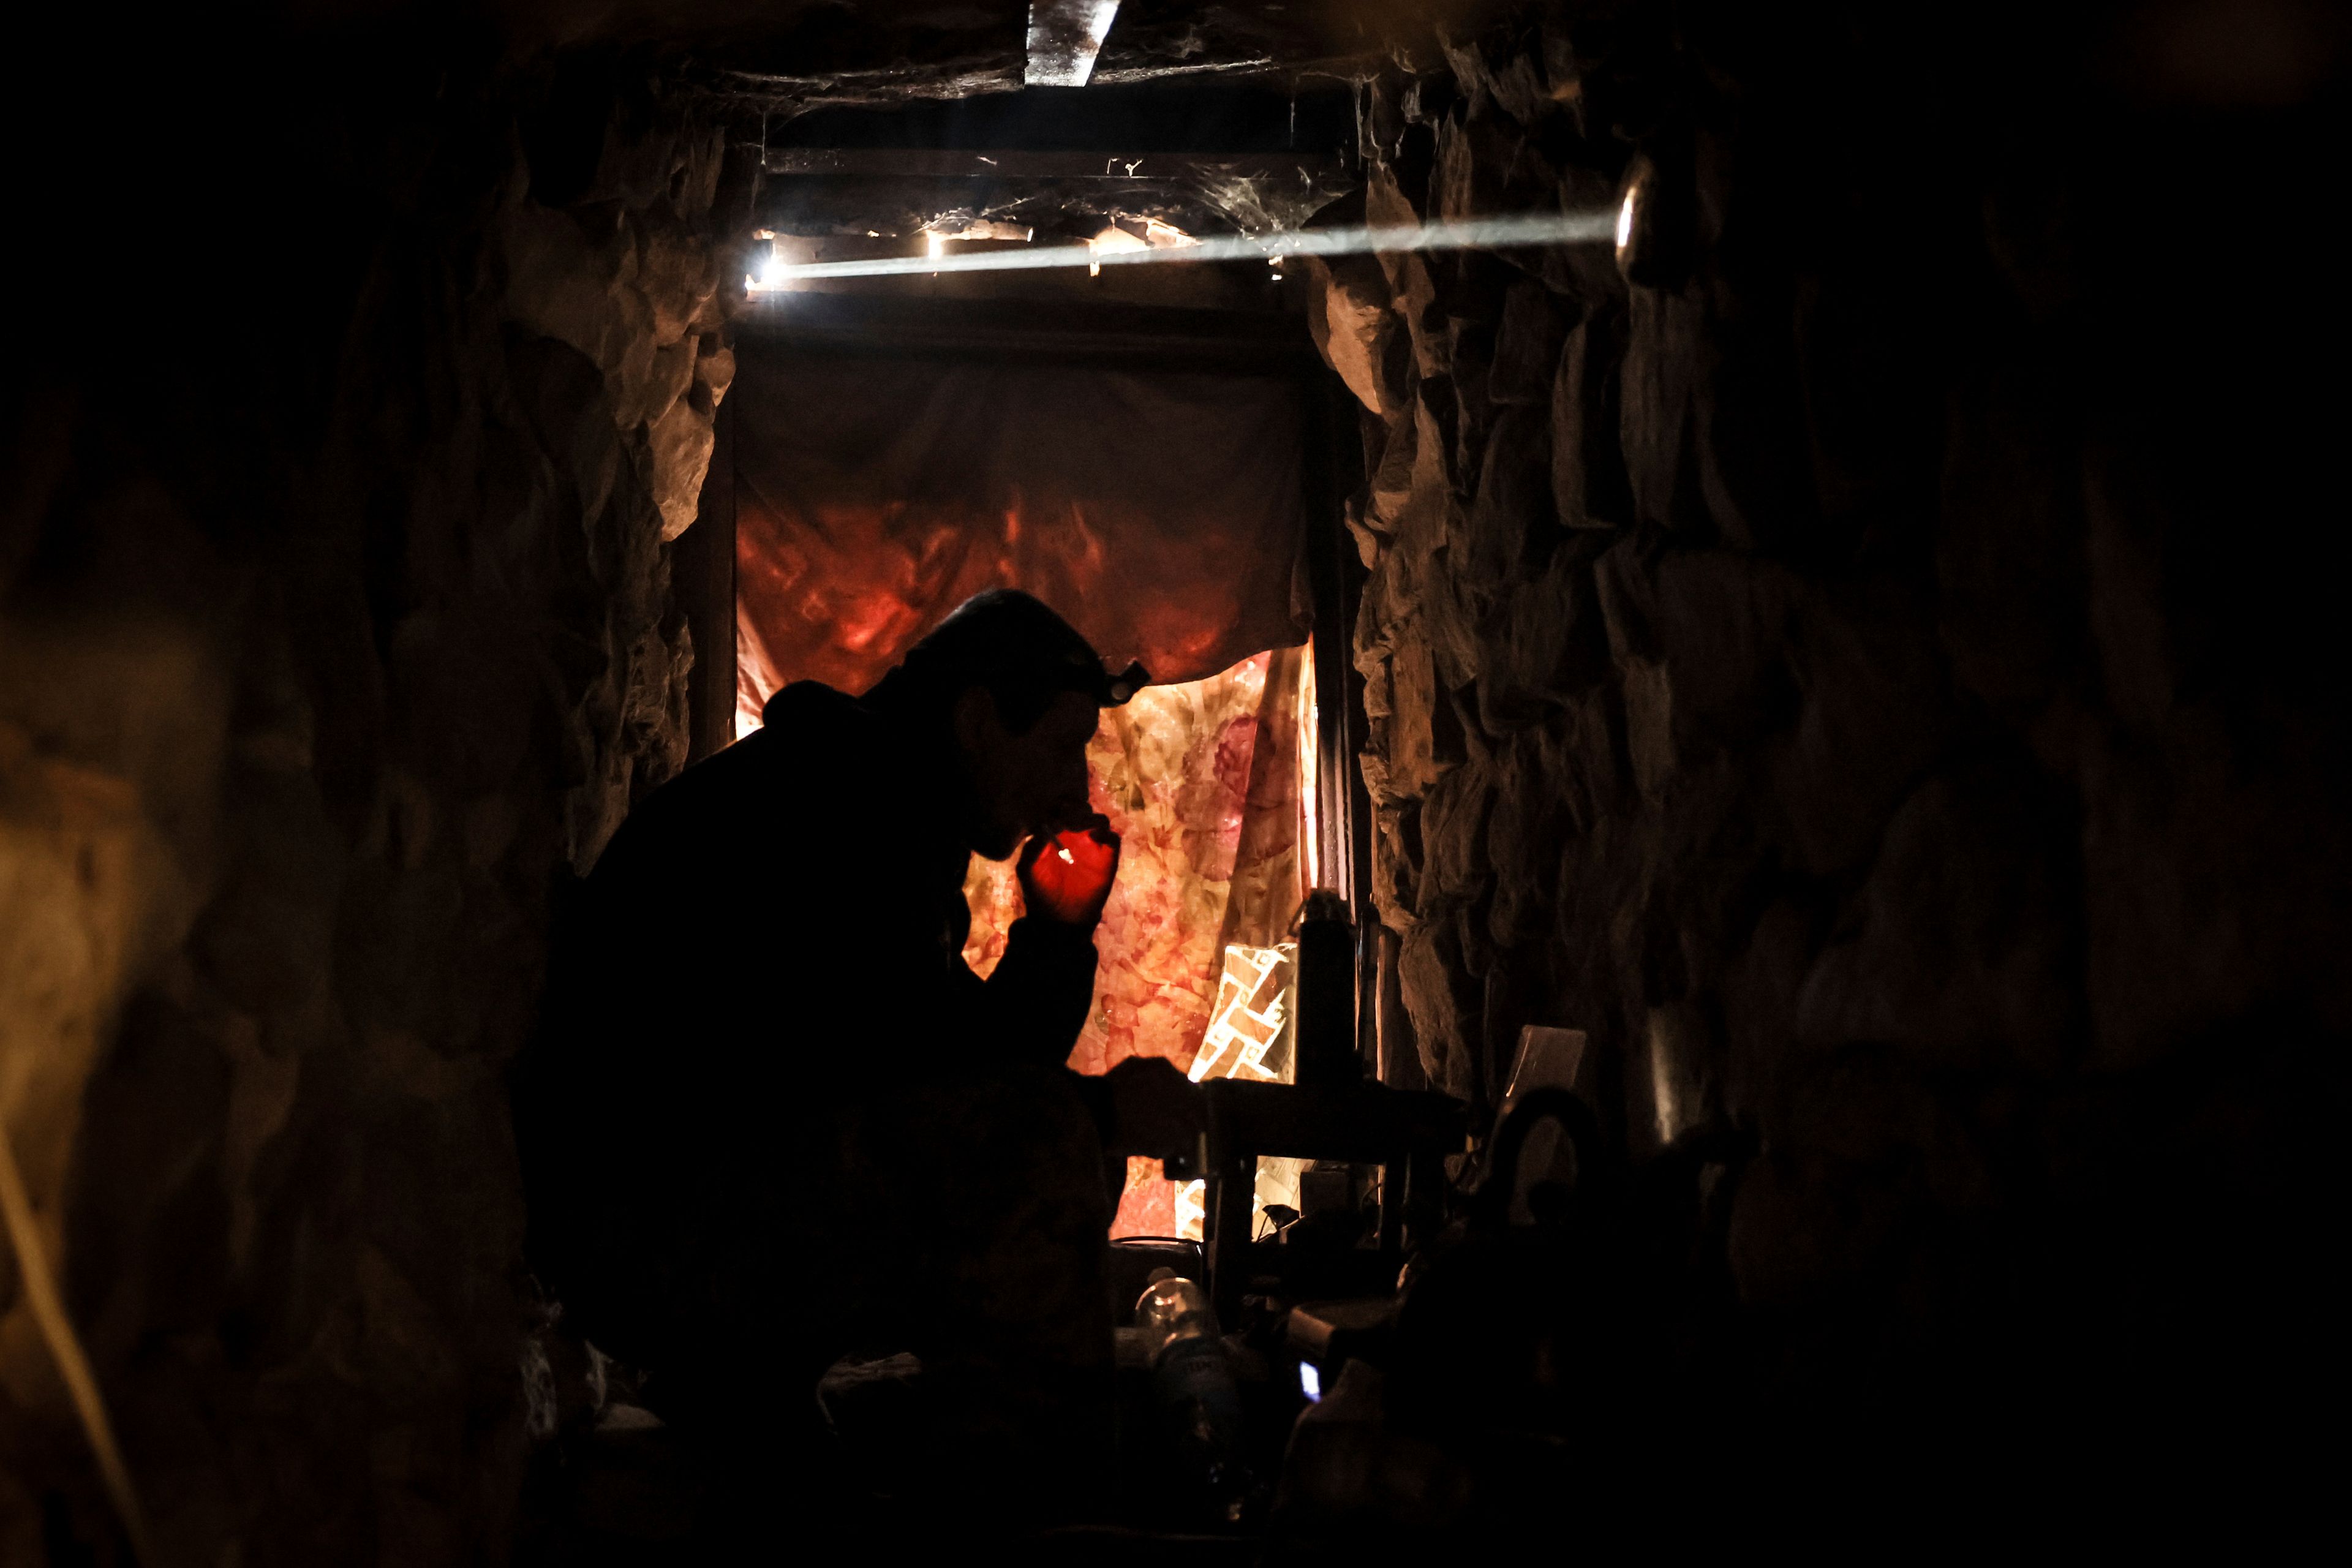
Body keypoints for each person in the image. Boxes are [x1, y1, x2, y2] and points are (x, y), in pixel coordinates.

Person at [513, 589, 1202, 1536]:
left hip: (676, 1209)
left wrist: (1054, 937)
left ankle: (766, 1419)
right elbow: (935, 1090)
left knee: (1044, 1128)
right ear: (974, 721)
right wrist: (1101, 1116)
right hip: (642, 1237)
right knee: (1049, 1140)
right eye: (1060, 742)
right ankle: (1033, 1523)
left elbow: (951, 1069)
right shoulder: (834, 810)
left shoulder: (871, 805)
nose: (1074, 791)